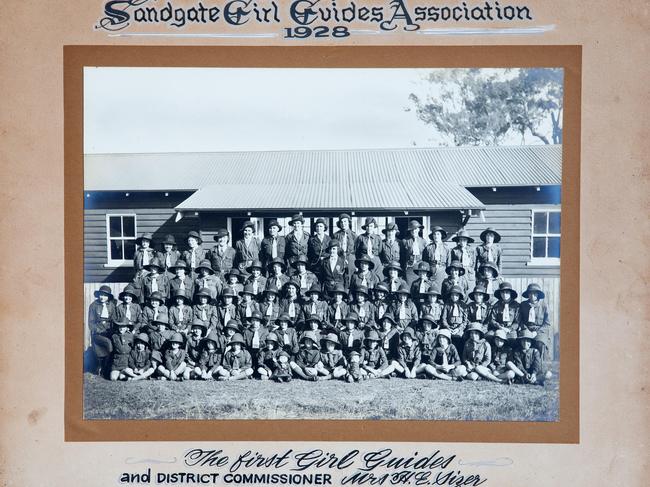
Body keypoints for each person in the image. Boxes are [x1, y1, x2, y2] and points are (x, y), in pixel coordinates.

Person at [519, 283, 553, 368]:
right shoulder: (523, 305)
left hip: (540, 330)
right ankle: (524, 367)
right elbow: (520, 320)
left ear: (538, 295)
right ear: (528, 295)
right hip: (526, 329)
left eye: (535, 293)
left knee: (540, 343)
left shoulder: (544, 306)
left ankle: (540, 368)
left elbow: (547, 323)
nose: (532, 296)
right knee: (522, 342)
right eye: (530, 293)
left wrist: (536, 332)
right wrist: (526, 330)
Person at [88, 285, 117, 376]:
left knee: (113, 344)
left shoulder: (112, 306)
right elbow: (91, 322)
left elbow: (114, 319)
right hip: (98, 332)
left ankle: (107, 368)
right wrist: (97, 329)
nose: (102, 297)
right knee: (107, 344)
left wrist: (113, 330)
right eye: (101, 295)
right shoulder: (93, 305)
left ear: (108, 297)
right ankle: (100, 366)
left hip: (109, 331)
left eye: (105, 295)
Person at [440, 285, 468, 353]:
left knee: (461, 337)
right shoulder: (447, 305)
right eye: (452, 295)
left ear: (459, 296)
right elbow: (444, 318)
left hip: (459, 328)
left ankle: (459, 356)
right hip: (449, 327)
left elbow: (465, 320)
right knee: (446, 337)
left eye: (456, 295)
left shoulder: (463, 305)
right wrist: (448, 327)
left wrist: (459, 329)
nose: (454, 297)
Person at [400, 220, 427, 285]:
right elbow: (402, 256)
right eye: (412, 230)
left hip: (419, 268)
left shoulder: (423, 241)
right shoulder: (405, 241)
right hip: (409, 268)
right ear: (410, 231)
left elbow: (425, 256)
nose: (414, 231)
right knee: (409, 286)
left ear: (418, 230)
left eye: (416, 229)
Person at [333, 213, 357, 279]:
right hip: (339, 258)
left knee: (350, 277)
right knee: (338, 276)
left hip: (351, 259)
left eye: (345, 221)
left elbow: (357, 250)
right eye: (341, 222)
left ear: (348, 222)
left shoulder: (354, 235)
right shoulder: (336, 235)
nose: (343, 223)